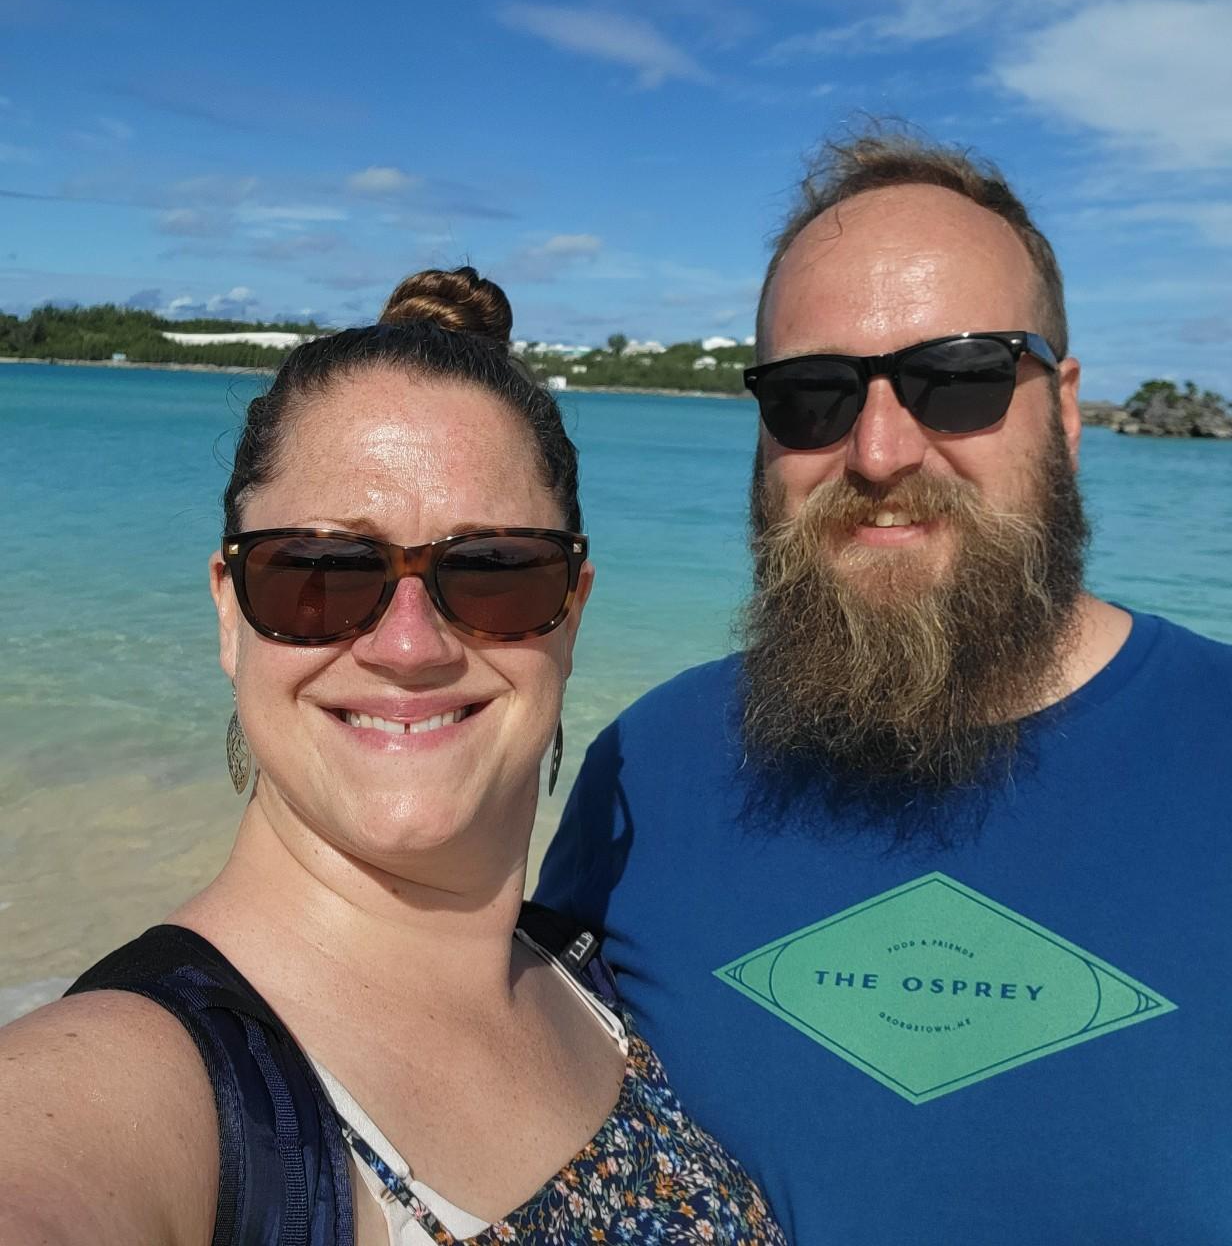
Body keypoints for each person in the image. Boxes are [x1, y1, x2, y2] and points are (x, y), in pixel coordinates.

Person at [537, 130, 1232, 1244]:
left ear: (1065, 412)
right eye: (813, 395)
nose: (880, 451)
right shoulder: (649, 771)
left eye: (960, 378)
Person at [0, 268, 787, 1246]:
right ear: (231, 613)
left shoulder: (593, 975)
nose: (408, 646)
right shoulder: (148, 1084)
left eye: (493, 570)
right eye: (322, 571)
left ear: (571, 613)